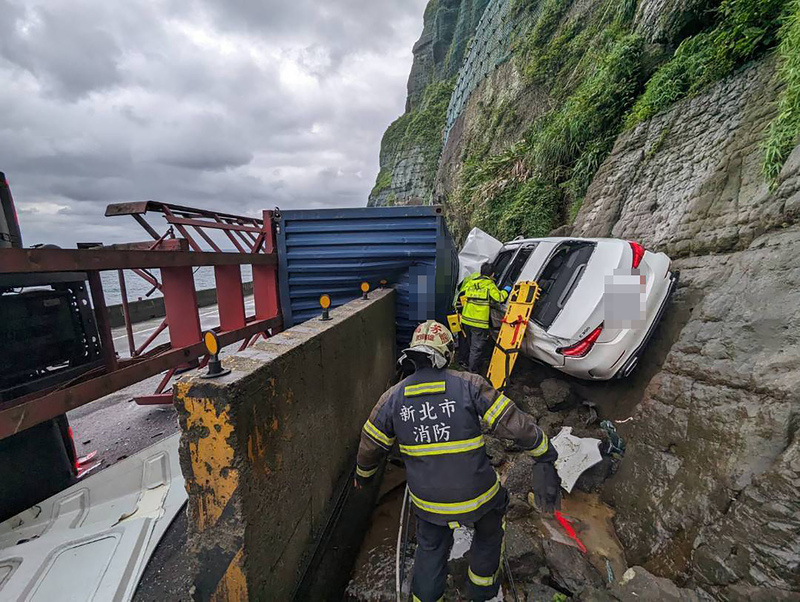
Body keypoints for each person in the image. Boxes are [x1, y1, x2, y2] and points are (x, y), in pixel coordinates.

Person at [355, 321, 560, 602]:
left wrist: (362, 480)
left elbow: (370, 447)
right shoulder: (469, 384)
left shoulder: (392, 399)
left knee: (430, 548)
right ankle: (482, 591)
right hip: (479, 497)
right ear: (447, 353)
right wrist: (544, 452)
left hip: (429, 504)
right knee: (490, 531)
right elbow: (514, 424)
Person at [459, 262, 511, 374]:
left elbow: (463, 293)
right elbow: (500, 298)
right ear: (492, 274)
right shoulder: (489, 285)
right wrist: (506, 290)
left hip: (466, 319)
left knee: (469, 344)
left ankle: (466, 363)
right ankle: (472, 372)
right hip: (479, 322)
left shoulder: (472, 282)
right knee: (476, 348)